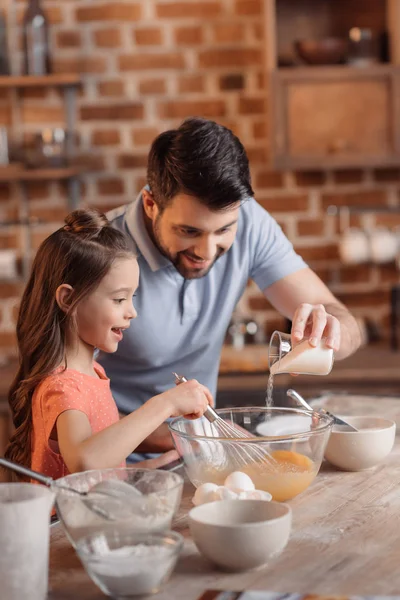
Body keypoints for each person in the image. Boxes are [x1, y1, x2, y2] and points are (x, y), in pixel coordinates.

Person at [100, 116, 362, 460]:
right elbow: (63, 406)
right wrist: (188, 435)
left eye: (224, 230)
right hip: (112, 467)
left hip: (196, 455)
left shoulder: (251, 221)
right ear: (151, 205)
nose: (207, 253)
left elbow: (349, 331)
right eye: (189, 231)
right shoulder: (98, 254)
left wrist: (329, 331)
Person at [4, 208, 212, 481]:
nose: (132, 312)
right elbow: (85, 460)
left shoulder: (93, 373)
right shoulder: (63, 387)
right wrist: (166, 404)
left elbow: (102, 461)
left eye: (132, 297)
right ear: (68, 299)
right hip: (64, 524)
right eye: (119, 299)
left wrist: (150, 469)